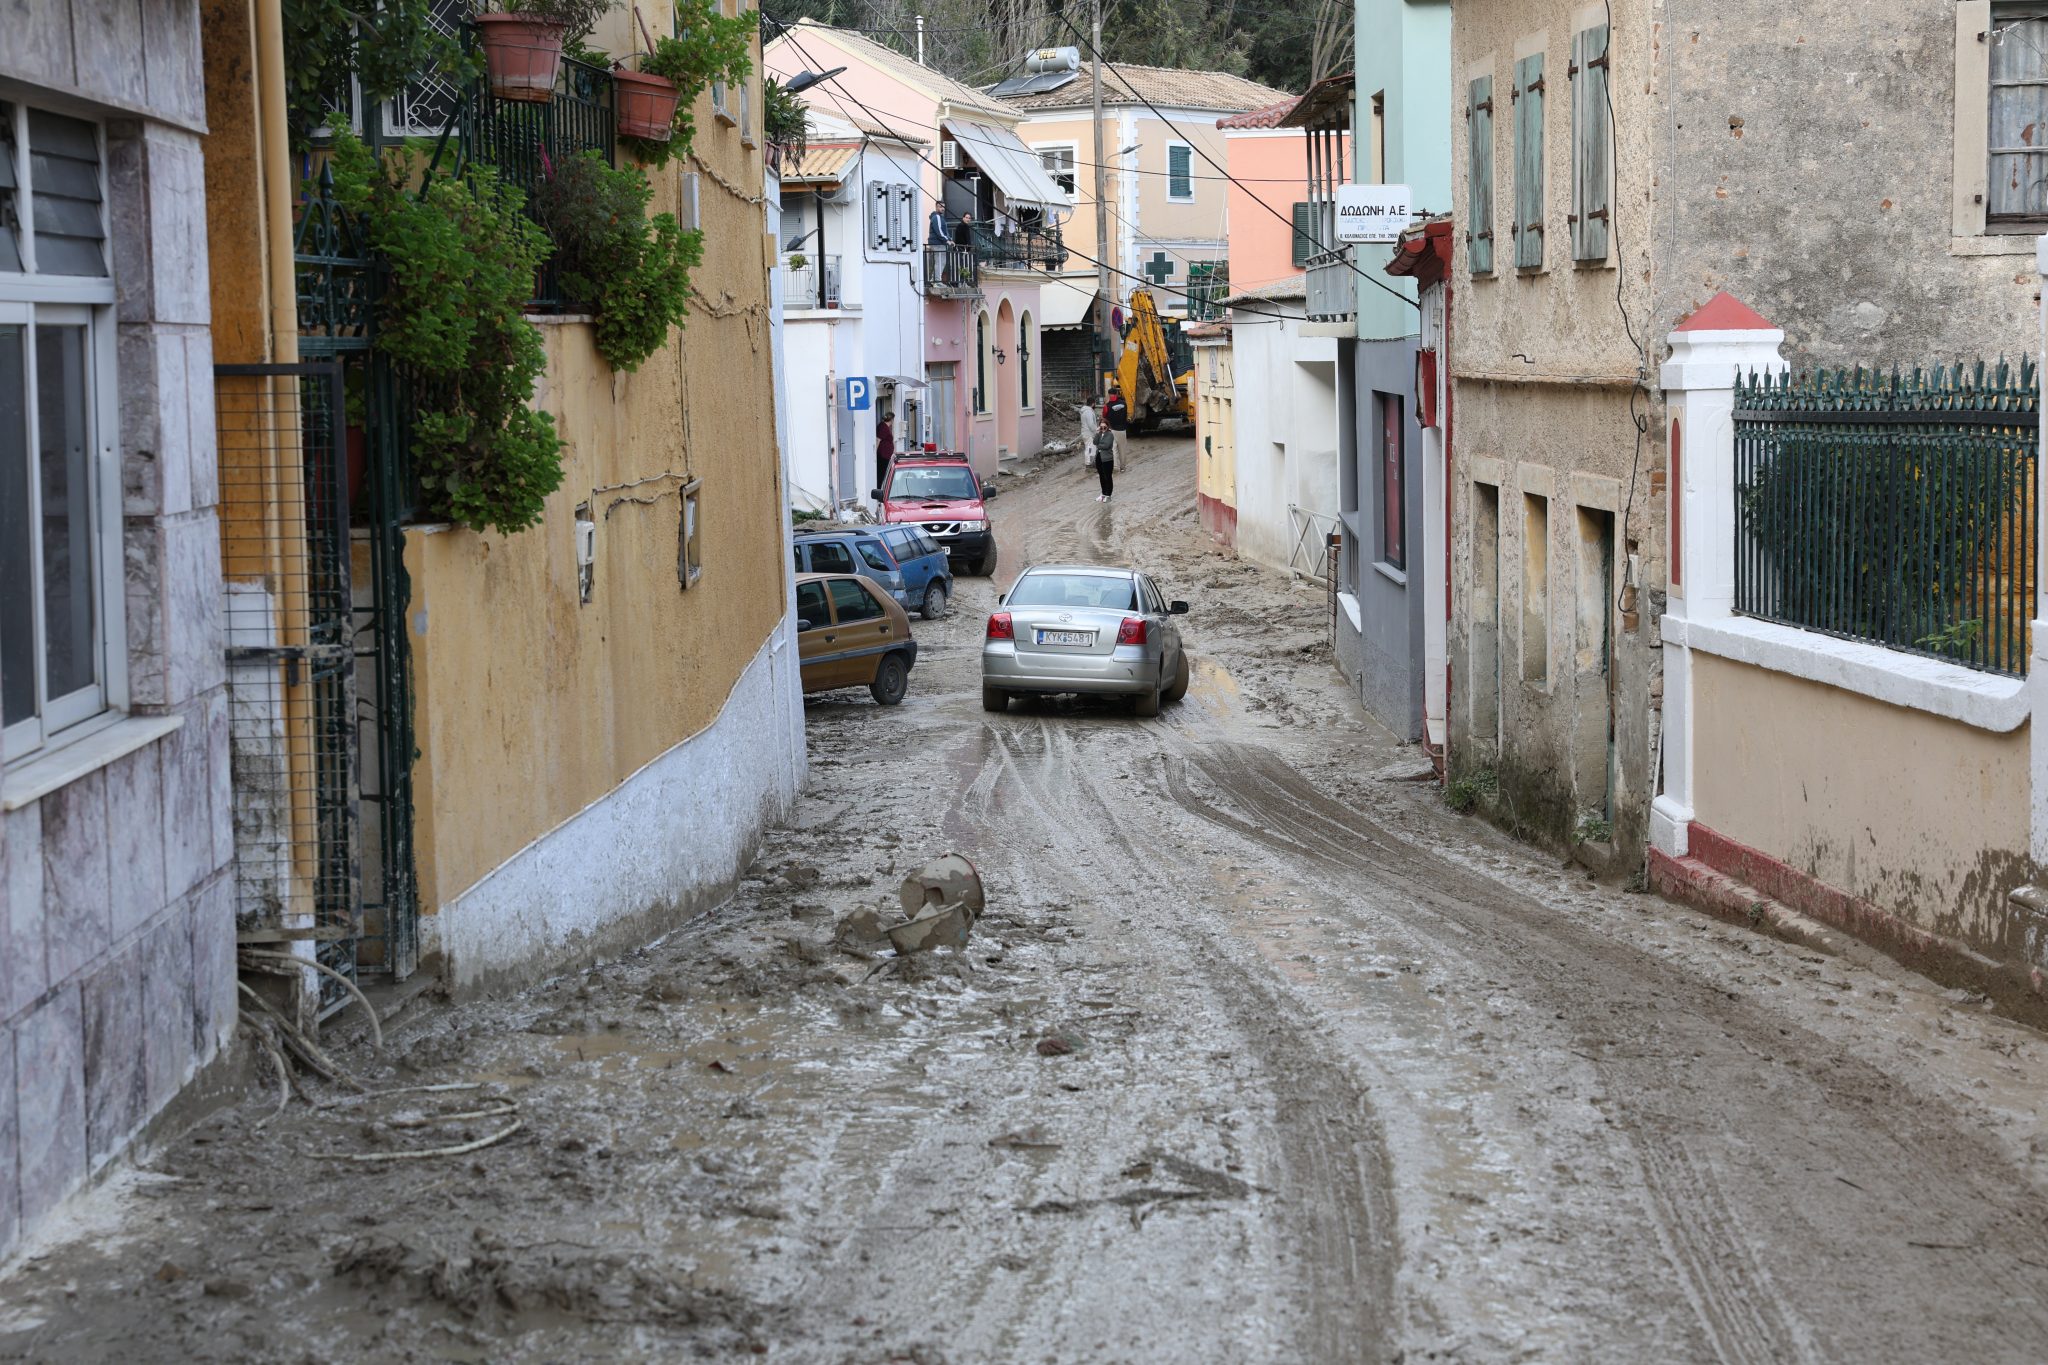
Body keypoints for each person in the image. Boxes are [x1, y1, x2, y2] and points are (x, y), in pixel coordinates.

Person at [1102, 386, 1130, 472]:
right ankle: (1123, 467)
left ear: (1109, 395)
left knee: (1113, 449)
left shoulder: (1106, 406)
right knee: (1122, 449)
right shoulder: (1124, 404)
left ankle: (1115, 467)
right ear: (1117, 394)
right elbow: (1126, 415)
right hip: (1122, 430)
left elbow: (1104, 417)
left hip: (1112, 430)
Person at [1091, 420, 1116, 502]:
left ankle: (1108, 495)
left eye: (1104, 427)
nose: (1103, 429)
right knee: (1101, 476)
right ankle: (1103, 494)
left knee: (1107, 477)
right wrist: (1098, 433)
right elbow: (1094, 442)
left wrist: (1099, 445)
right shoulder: (1100, 434)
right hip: (1099, 457)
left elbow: (1106, 445)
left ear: (1107, 427)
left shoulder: (1110, 434)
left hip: (1107, 459)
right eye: (1101, 427)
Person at [876, 412, 895, 480]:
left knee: (884, 473)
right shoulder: (883, 427)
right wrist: (874, 454)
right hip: (883, 456)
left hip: (885, 455)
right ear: (892, 420)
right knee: (882, 473)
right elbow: (878, 440)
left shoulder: (884, 426)